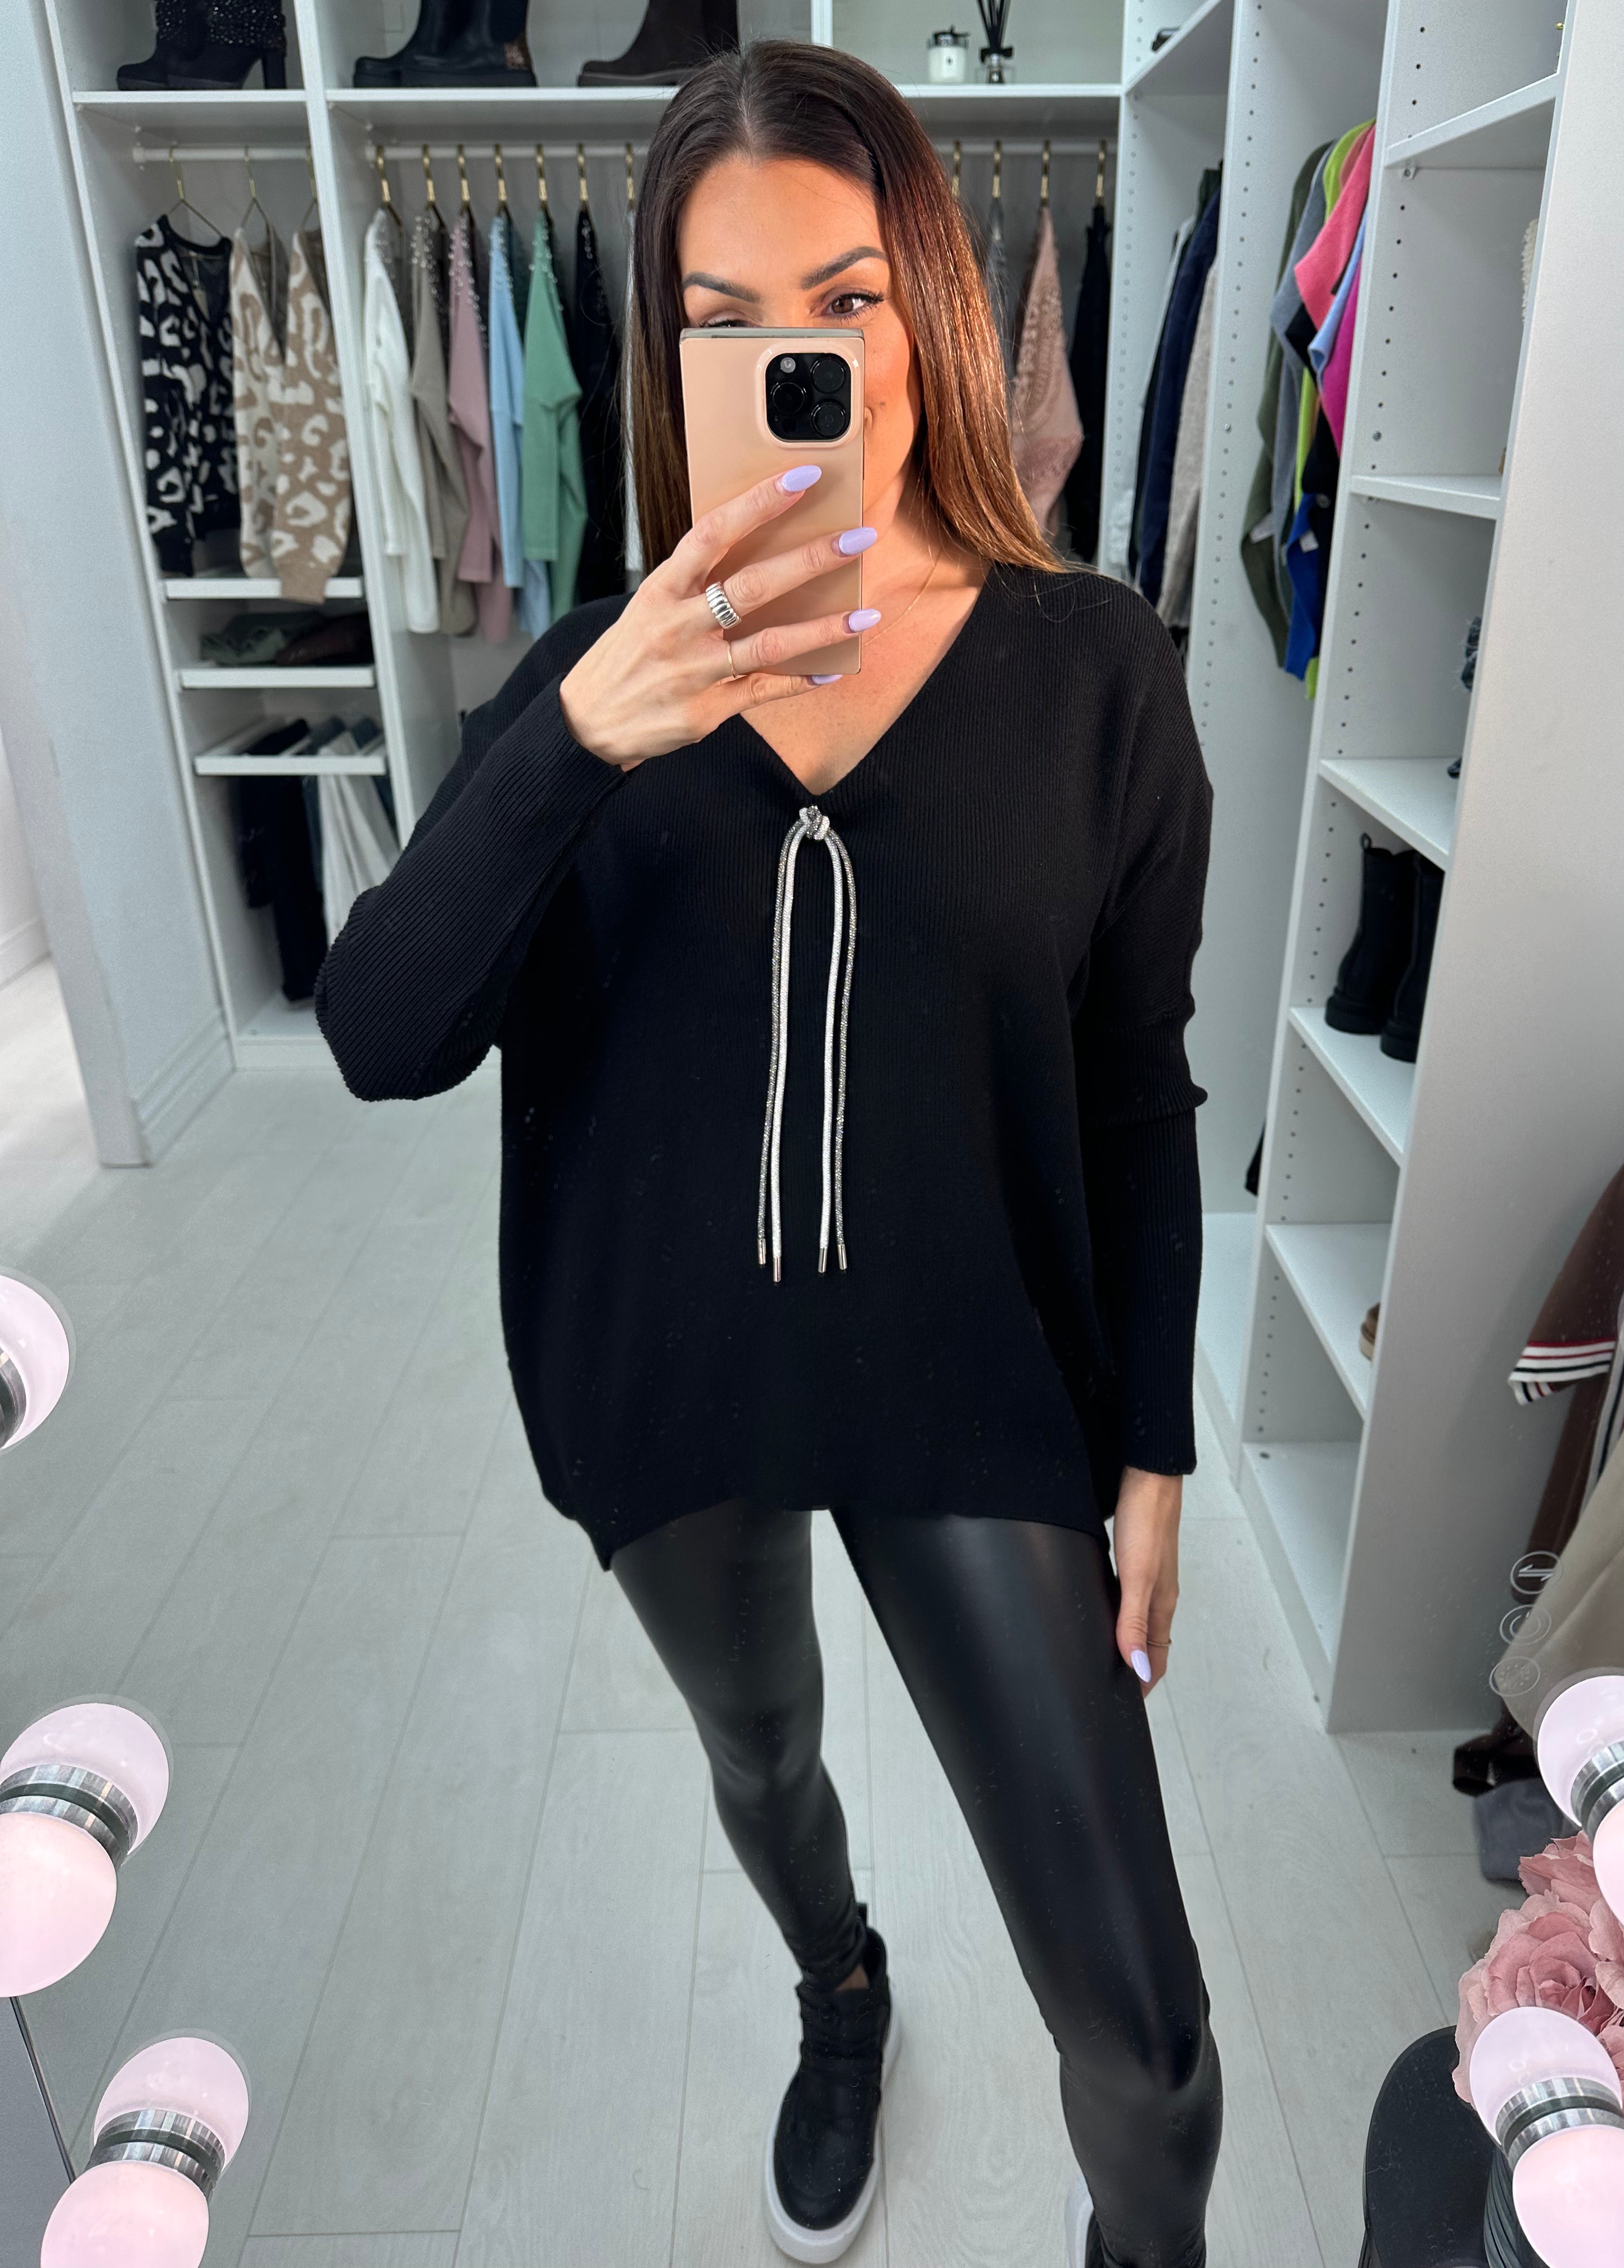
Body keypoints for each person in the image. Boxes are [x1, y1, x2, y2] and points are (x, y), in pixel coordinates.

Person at [317, 39, 1221, 2268]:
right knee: (762, 1755)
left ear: (933, 317)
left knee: (1151, 2047)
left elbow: (1136, 1082)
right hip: (673, 1381)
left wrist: (1158, 1445)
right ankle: (841, 1987)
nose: (794, 362)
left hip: (975, 1379)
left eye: (843, 300)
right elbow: (381, 1034)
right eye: (723, 320)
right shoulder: (585, 683)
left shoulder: (1094, 673)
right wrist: (581, 737)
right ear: (665, 359)